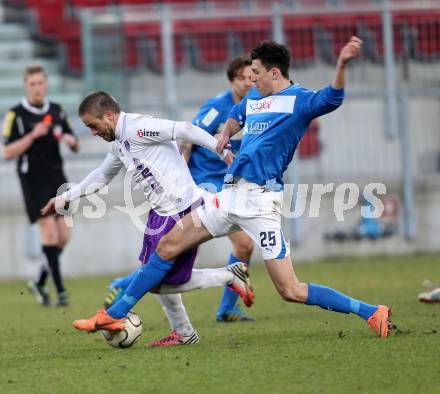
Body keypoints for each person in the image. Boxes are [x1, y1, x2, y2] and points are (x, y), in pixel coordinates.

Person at [73, 36, 394, 339]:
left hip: (260, 202)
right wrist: (224, 137)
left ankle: (371, 311)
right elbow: (234, 116)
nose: (251, 79)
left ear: (274, 72)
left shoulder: (301, 100)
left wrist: (341, 63)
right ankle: (114, 313)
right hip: (228, 196)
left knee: (290, 290)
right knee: (166, 248)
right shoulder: (254, 98)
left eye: (255, 73)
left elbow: (333, 97)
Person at [41, 91, 254, 346]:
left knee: (159, 281)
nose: (93, 132)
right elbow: (102, 174)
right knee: (156, 280)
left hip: (181, 209)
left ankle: (116, 315)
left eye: (93, 126)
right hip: (160, 213)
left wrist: (220, 150)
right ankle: (186, 329)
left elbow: (184, 128)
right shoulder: (120, 141)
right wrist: (68, 197)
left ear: (108, 115)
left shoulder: (139, 128)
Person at [181, 55, 255, 322]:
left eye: (251, 77)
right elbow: (190, 136)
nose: (248, 83)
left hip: (230, 185)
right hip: (205, 183)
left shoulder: (255, 106)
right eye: (241, 78)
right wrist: (182, 171)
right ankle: (122, 286)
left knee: (244, 246)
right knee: (180, 249)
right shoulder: (218, 106)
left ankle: (226, 308)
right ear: (231, 80)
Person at [1, 65, 79, 307]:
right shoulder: (15, 115)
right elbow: (7, 152)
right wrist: (32, 135)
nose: (36, 87)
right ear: (26, 86)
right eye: (32, 83)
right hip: (32, 181)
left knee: (63, 237)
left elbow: (75, 143)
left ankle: (38, 282)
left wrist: (69, 140)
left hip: (57, 179)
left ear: (46, 84)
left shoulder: (57, 110)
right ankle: (61, 292)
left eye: (40, 83)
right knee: (50, 234)